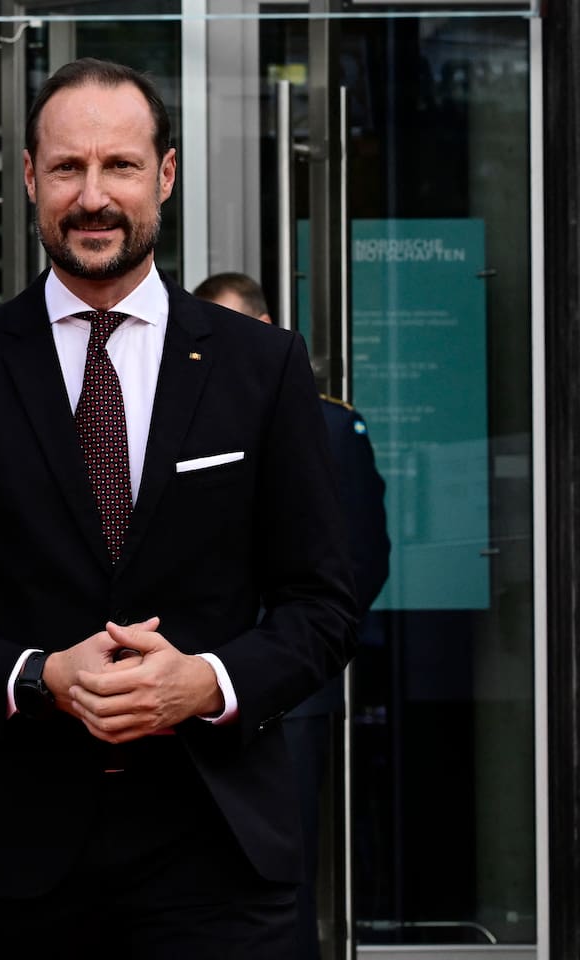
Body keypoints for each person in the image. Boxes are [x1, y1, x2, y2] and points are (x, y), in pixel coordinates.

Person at [0, 58, 358, 957]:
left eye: (119, 166)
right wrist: (35, 674)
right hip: (7, 857)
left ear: (163, 174)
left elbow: (323, 600)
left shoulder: (260, 365)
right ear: (32, 179)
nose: (94, 196)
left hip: (220, 847)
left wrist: (207, 683)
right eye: (69, 169)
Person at [195, 270, 390, 960]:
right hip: (185, 690)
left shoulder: (330, 421)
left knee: (282, 877)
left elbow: (359, 563)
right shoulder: (183, 420)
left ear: (271, 331)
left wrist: (283, 653)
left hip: (289, 691)